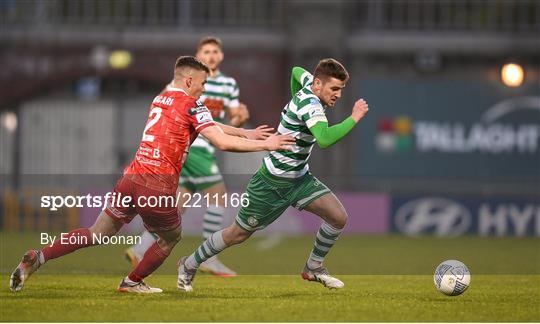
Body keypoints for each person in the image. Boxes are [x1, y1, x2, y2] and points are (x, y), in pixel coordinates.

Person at [9, 56, 295, 294]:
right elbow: (219, 141)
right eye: (203, 83)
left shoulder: (163, 99)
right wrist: (264, 145)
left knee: (97, 233)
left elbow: (208, 125)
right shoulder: (193, 105)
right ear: (189, 81)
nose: (204, 89)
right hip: (156, 185)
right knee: (170, 238)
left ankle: (39, 257)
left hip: (130, 178)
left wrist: (244, 131)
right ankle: (132, 281)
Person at [176, 58, 370, 292]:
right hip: (271, 183)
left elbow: (297, 71)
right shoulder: (311, 105)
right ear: (318, 85)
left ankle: (313, 267)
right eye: (334, 89)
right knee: (237, 234)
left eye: (341, 89)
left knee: (338, 217)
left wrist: (295, 97)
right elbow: (325, 139)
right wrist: (355, 117)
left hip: (299, 179)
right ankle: (188, 264)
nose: (338, 95)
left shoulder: (310, 85)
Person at [125, 37, 250, 277]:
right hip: (194, 146)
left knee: (178, 206)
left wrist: (241, 119)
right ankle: (209, 257)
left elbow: (232, 117)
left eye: (215, 51)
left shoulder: (228, 84)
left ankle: (139, 249)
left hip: (205, 141)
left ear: (221, 56)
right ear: (199, 55)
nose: (211, 55)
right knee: (218, 197)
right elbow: (164, 103)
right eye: (206, 51)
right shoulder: (185, 83)